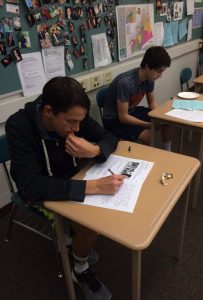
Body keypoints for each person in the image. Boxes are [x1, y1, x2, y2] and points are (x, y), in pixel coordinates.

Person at [6, 77, 125, 300]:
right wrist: (92, 186)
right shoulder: (18, 126)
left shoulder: (74, 113)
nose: (77, 129)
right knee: (90, 226)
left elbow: (109, 137)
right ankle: (79, 269)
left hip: (70, 177)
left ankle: (73, 242)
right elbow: (31, 186)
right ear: (49, 111)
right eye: (71, 122)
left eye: (80, 122)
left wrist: (95, 150)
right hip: (38, 192)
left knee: (102, 213)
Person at [102, 46, 172, 150]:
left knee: (166, 122)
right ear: (148, 66)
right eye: (158, 71)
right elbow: (123, 117)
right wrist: (148, 125)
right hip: (114, 120)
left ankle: (167, 152)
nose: (160, 75)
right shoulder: (126, 83)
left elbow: (152, 103)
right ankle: (146, 163)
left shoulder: (150, 79)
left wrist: (161, 117)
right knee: (148, 135)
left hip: (131, 111)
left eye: (162, 72)